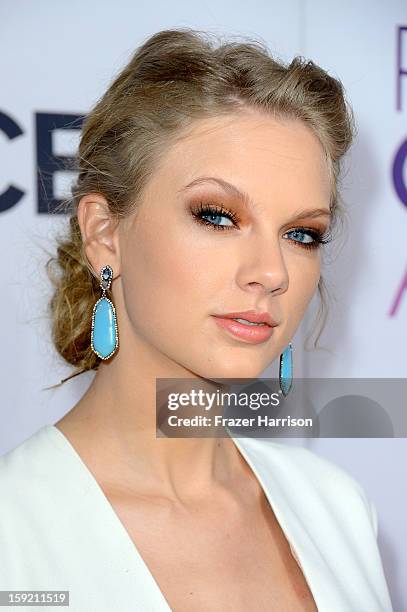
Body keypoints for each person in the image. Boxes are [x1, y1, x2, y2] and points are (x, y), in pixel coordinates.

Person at [0, 27, 393, 611]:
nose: (271, 272)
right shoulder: (14, 533)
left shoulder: (337, 509)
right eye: (217, 216)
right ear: (104, 233)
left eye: (301, 234)